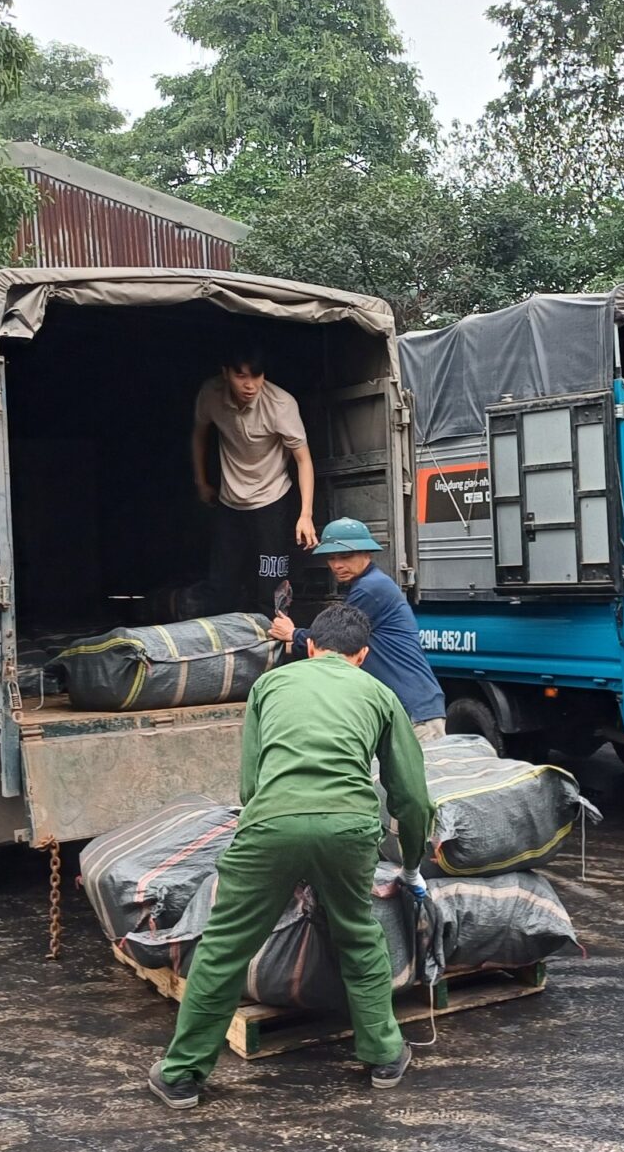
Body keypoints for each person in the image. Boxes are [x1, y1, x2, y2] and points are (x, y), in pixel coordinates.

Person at [149, 603, 434, 1105]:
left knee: (224, 948)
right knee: (358, 935)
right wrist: (411, 864)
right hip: (348, 828)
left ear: (308, 645)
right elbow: (411, 798)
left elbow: (251, 783)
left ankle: (181, 1076)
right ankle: (384, 1057)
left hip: (271, 825)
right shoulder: (380, 694)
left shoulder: (270, 685)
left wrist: (275, 835)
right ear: (362, 655)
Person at [269, 518, 448, 741]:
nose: (337, 565)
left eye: (345, 556)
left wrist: (292, 634)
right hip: (399, 710)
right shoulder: (366, 585)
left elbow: (333, 637)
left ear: (367, 554)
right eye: (331, 558)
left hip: (415, 713)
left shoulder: (371, 588)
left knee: (425, 775)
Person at [193, 343, 319, 616]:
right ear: (225, 373)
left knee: (271, 586)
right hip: (230, 500)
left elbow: (303, 459)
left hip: (273, 496)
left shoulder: (281, 404)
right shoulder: (211, 395)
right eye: (241, 376)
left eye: (257, 376)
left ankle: (275, 644)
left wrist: (305, 514)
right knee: (221, 583)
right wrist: (201, 482)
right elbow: (199, 434)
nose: (250, 385)